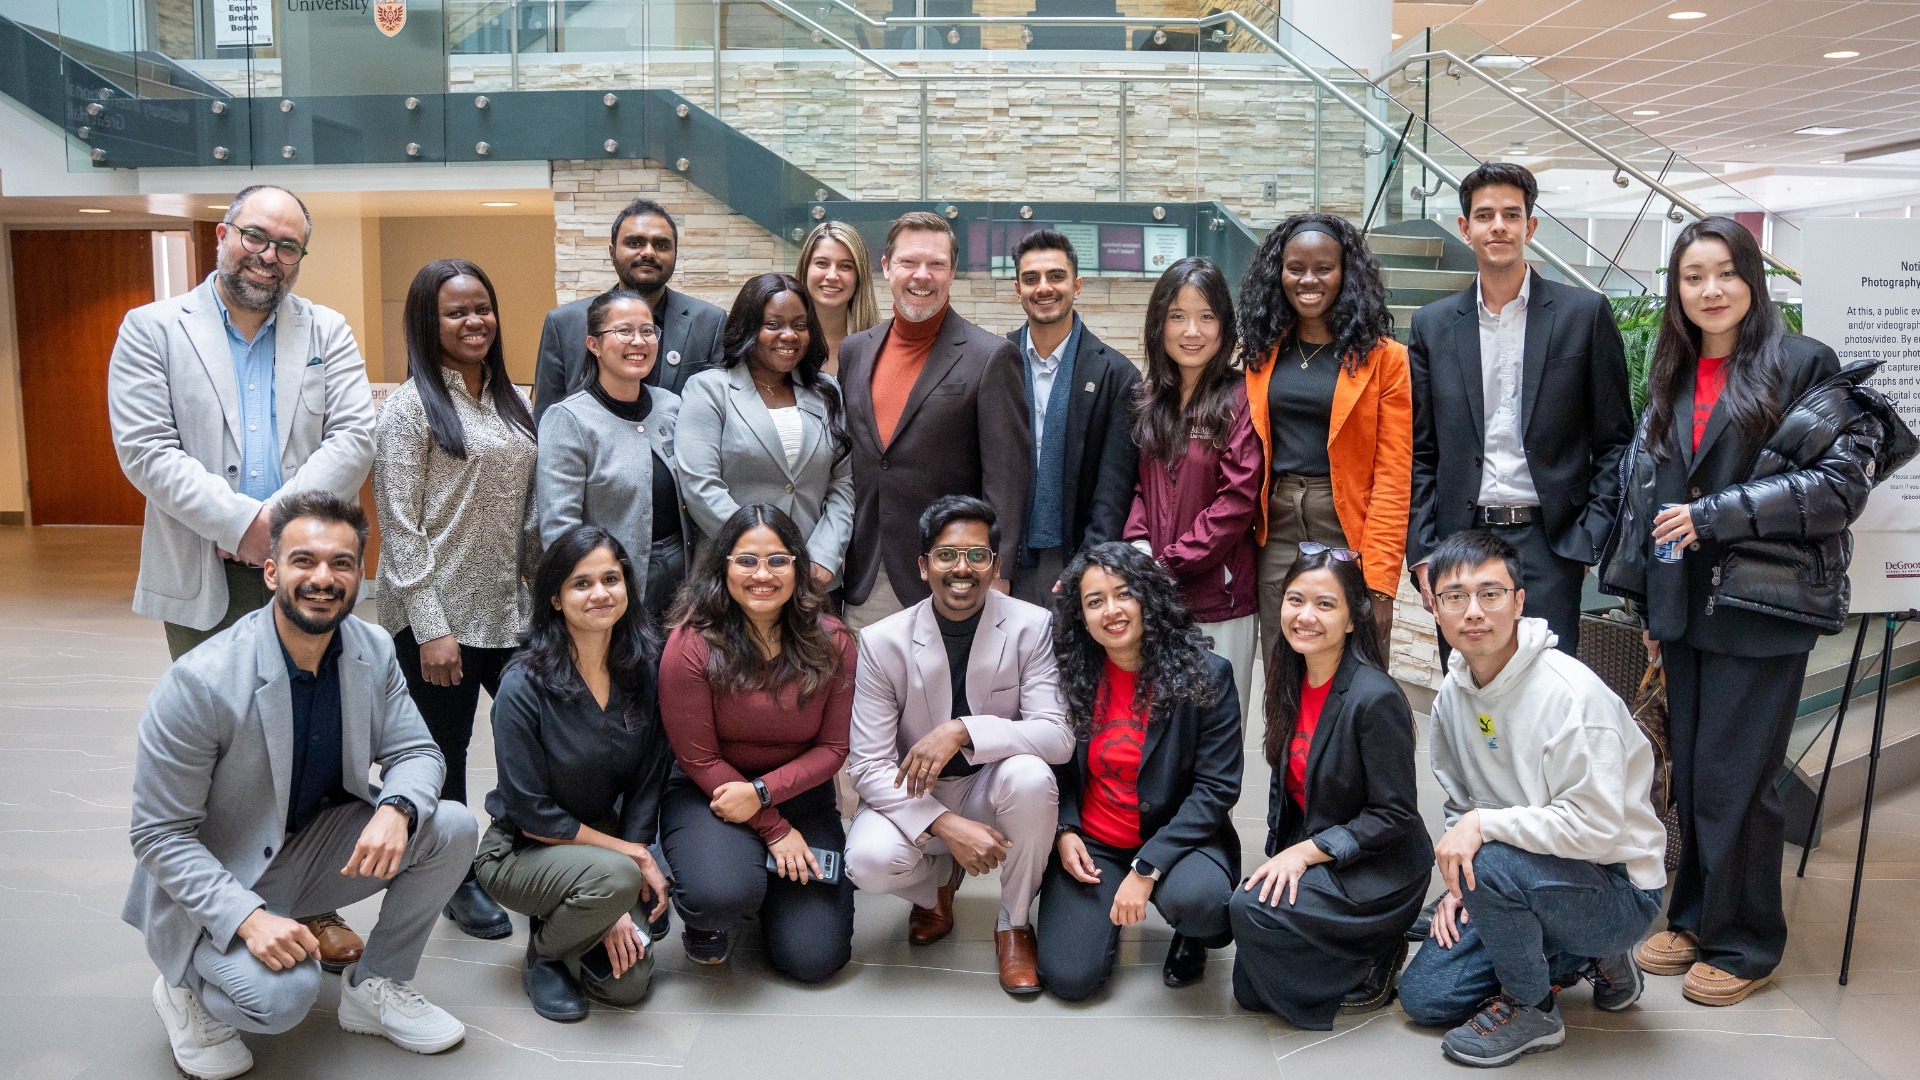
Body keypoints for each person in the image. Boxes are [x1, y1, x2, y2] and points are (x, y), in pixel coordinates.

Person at [1600, 217, 1911, 1007]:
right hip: (1685, 604)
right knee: (1698, 771)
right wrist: (1644, 595)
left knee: (1738, 780)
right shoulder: (1671, 369)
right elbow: (1651, 491)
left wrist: (1717, 515)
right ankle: (1699, 917)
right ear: (1676, 289)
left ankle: (1748, 942)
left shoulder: (1802, 362)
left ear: (1753, 280)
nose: (1710, 290)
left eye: (1725, 273)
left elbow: (1840, 489)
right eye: (1692, 276)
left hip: (1764, 605)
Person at [123, 492, 472, 1080]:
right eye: (303, 560)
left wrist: (398, 807)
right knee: (283, 998)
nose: (323, 577)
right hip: (223, 871)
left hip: (311, 850)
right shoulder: (201, 683)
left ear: (362, 573)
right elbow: (158, 836)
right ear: (270, 571)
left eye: (341, 562)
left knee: (451, 826)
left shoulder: (373, 648)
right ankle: (182, 986)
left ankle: (376, 986)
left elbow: (415, 751)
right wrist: (246, 917)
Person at [1400, 530, 1668, 1068]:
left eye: (1490, 593)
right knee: (1425, 996)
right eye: (1455, 597)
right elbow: (1460, 802)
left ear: (1519, 601)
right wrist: (1459, 887)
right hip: (1526, 873)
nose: (1473, 611)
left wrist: (1483, 832)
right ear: (1435, 606)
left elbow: (1594, 829)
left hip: (1614, 886)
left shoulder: (1570, 695)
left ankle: (1535, 1008)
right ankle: (1581, 954)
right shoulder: (1454, 692)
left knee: (1491, 860)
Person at [108, 183, 376, 660]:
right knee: (215, 723)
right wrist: (241, 525)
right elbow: (147, 451)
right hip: (204, 569)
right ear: (222, 235)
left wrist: (278, 528)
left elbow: (354, 439)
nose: (269, 255)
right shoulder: (151, 330)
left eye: (287, 247)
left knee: (315, 715)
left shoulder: (328, 330)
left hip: (310, 567)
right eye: (255, 237)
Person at [844, 496, 1071, 994]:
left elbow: (1057, 736)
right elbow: (866, 765)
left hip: (991, 784)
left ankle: (1013, 924)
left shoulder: (1032, 626)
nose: (961, 568)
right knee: (867, 862)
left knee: (1033, 778)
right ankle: (935, 890)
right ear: (924, 567)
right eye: (947, 555)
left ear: (994, 565)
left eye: (977, 555)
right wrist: (945, 827)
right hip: (913, 790)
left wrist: (963, 729)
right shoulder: (883, 641)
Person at [372, 258, 537, 943]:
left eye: (483, 308)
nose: (475, 322)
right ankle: (454, 879)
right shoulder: (410, 408)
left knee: (534, 732)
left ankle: (525, 853)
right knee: (444, 750)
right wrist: (432, 627)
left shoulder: (508, 398)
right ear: (427, 323)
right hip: (436, 616)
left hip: (510, 609)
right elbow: (399, 527)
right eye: (457, 312)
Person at [1406, 163, 1633, 658]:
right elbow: (1421, 450)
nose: (1498, 226)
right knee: (1470, 692)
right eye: (1484, 215)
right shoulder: (1433, 326)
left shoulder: (1583, 315)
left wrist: (1588, 538)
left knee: (1546, 694)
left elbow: (1616, 439)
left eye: (1512, 214)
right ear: (1465, 229)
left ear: (1530, 227)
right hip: (1462, 544)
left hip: (1550, 545)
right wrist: (1424, 550)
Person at [1227, 544, 1431, 1029]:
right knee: (1249, 990)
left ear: (1352, 619)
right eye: (1295, 600)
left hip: (1381, 869)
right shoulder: (1290, 677)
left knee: (1248, 910)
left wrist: (1302, 855)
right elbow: (1289, 793)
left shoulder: (1374, 697)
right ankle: (1351, 947)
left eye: (1325, 604)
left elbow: (1394, 814)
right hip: (1324, 849)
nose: (1305, 616)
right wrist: (1285, 852)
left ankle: (1376, 949)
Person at [474, 525, 673, 1022]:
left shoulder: (644, 668)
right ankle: (543, 954)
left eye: (611, 578)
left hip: (602, 847)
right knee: (620, 879)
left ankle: (579, 912)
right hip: (523, 849)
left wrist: (630, 868)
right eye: (581, 583)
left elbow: (649, 779)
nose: (600, 593)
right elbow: (529, 812)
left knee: (629, 985)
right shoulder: (522, 685)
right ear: (556, 599)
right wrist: (627, 870)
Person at [657, 504, 858, 980]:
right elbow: (698, 757)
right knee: (719, 895)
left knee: (813, 960)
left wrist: (764, 797)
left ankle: (766, 890)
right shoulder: (691, 643)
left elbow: (834, 749)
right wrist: (772, 827)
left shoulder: (833, 641)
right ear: (722, 565)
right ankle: (716, 905)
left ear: (798, 568)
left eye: (777, 560)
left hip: (801, 800)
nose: (761, 574)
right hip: (708, 795)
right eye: (746, 560)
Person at [1035, 543, 1241, 1000]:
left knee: (1202, 903)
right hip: (1096, 843)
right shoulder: (1071, 674)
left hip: (1176, 838)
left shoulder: (1207, 675)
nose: (1111, 610)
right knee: (1069, 980)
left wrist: (1148, 867)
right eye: (1094, 601)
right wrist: (1065, 829)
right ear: (1080, 616)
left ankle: (1190, 932)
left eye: (1124, 593)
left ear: (1149, 596)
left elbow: (1217, 788)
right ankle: (1101, 910)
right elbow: (1055, 763)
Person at [838, 212, 1033, 630]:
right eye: (909, 262)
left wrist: (997, 575)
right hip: (868, 575)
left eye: (936, 264)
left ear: (953, 272)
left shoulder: (990, 357)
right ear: (886, 267)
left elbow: (1007, 477)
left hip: (955, 577)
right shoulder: (855, 351)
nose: (922, 276)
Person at [1238, 213, 1410, 664]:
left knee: (1354, 670)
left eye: (1323, 268)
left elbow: (1394, 478)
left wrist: (1380, 584)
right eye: (1295, 268)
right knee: (1283, 665)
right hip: (1275, 529)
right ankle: (1284, 740)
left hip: (1346, 523)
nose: (1308, 279)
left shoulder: (1386, 360)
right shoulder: (1261, 351)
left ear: (1346, 273)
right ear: (1279, 273)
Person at [1124, 257, 1260, 715]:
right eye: (1177, 316)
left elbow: (1237, 501)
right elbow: (1140, 487)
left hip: (1219, 596)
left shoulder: (1241, 398)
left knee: (1215, 731)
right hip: (1158, 595)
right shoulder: (1149, 399)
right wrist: (1140, 551)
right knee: (1158, 729)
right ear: (1159, 323)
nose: (1191, 332)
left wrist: (1171, 563)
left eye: (1206, 317)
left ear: (1224, 327)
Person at [674, 273, 855, 589]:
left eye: (800, 325)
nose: (790, 335)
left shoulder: (827, 390)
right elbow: (700, 486)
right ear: (748, 328)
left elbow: (844, 482)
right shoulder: (709, 390)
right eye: (773, 324)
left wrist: (825, 554)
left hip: (813, 579)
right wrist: (765, 558)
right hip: (734, 575)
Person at [1005, 230, 1142, 608]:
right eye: (1031, 279)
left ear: (1077, 285)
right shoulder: (994, 361)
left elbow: (1114, 488)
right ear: (1017, 288)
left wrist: (1088, 565)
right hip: (1003, 556)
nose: (1043, 288)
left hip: (1074, 556)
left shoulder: (1117, 374)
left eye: (1056, 276)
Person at [537, 289, 691, 622]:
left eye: (647, 331)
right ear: (594, 345)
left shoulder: (672, 406)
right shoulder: (568, 419)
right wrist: (588, 592)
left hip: (683, 582)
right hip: (610, 586)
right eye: (624, 331)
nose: (639, 341)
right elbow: (559, 528)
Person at [533, 198, 725, 416]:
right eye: (634, 243)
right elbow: (546, 417)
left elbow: (718, 413)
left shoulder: (710, 322)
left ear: (675, 254)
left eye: (661, 245)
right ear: (612, 252)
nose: (649, 252)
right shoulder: (564, 323)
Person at [794, 220, 879, 377]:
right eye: (822, 263)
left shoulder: (880, 346)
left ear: (859, 276)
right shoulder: (782, 340)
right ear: (805, 268)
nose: (832, 276)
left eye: (845, 266)